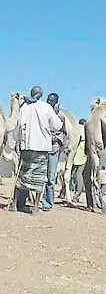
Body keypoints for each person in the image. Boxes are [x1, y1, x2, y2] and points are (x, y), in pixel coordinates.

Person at [9, 86, 63, 215]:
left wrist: (17, 140)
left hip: (27, 146)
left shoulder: (24, 108)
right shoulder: (46, 108)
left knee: (22, 176)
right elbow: (57, 125)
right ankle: (35, 208)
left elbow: (18, 126)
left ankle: (15, 205)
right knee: (39, 178)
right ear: (41, 95)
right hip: (42, 147)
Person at [41, 93, 66, 211]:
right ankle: (38, 201)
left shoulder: (60, 117)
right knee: (41, 177)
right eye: (48, 100)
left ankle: (49, 202)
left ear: (56, 102)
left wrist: (56, 140)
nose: (49, 103)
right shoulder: (42, 113)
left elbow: (63, 133)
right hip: (42, 148)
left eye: (52, 101)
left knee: (51, 178)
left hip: (54, 149)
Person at [71, 119, 87, 201]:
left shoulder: (78, 129)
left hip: (77, 154)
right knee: (78, 174)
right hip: (82, 155)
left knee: (76, 174)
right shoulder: (85, 130)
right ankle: (77, 194)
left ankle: (76, 194)